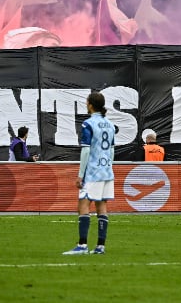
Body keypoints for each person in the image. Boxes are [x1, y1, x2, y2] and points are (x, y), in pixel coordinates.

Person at [63, 92, 116, 255]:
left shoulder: (88, 124)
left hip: (93, 171)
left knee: (83, 205)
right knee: (102, 206)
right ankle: (100, 246)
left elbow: (86, 150)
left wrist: (80, 174)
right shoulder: (110, 124)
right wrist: (108, 166)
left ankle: (82, 245)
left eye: (87, 103)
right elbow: (112, 150)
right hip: (107, 170)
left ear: (91, 105)